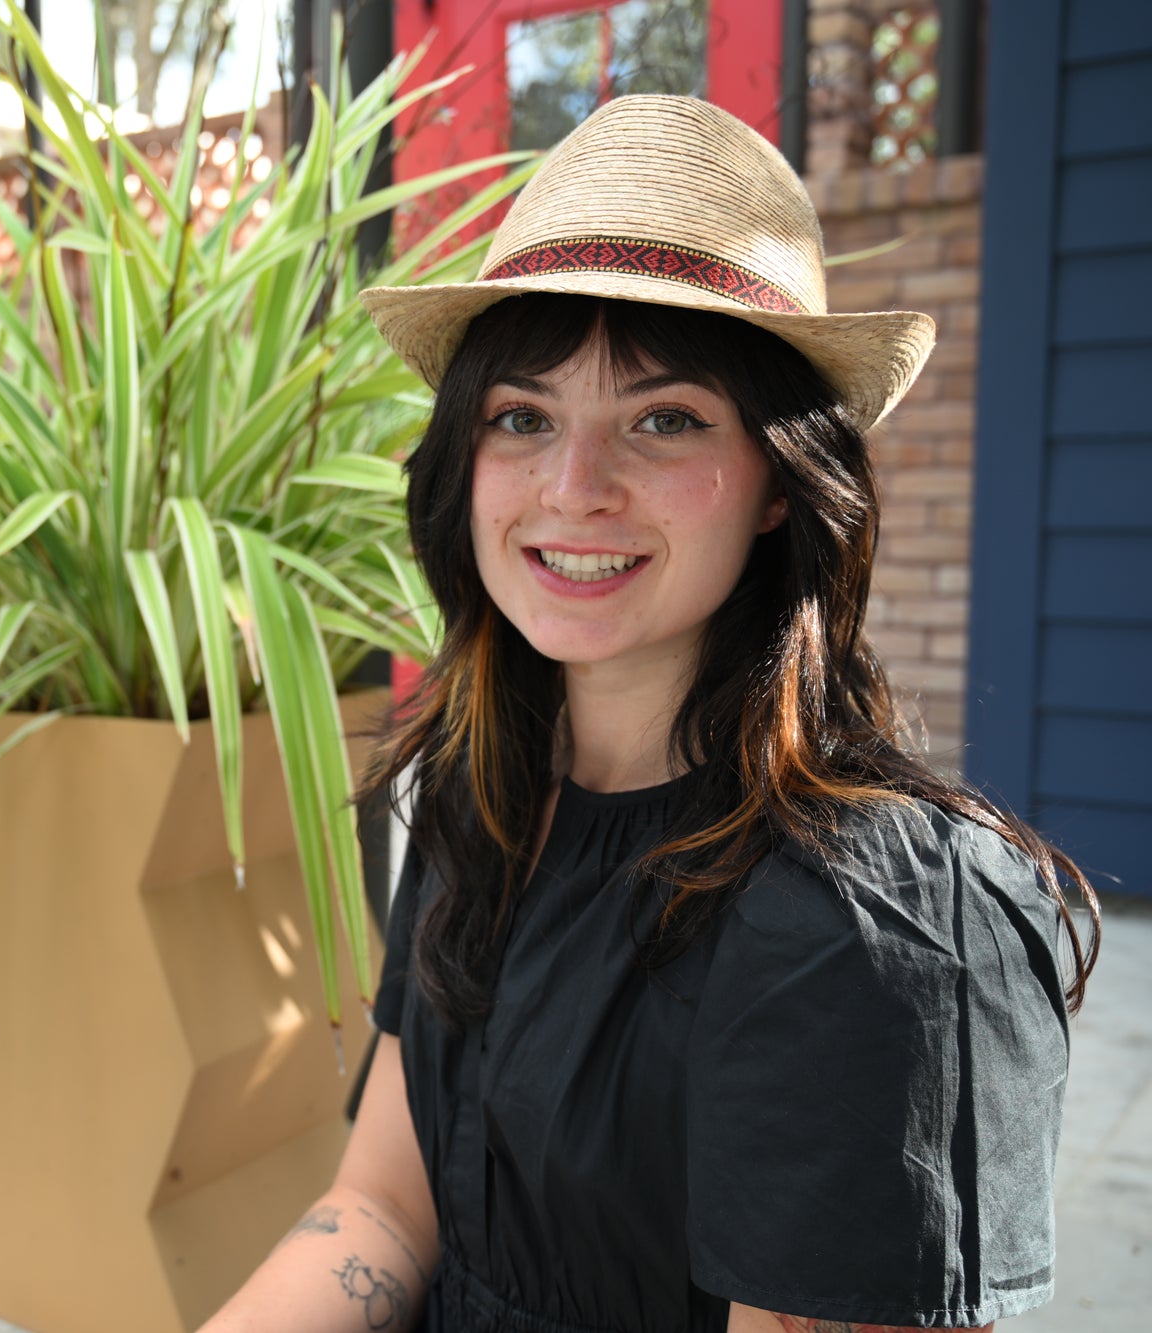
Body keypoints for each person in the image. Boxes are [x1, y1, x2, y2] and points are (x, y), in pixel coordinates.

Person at [201, 95, 1099, 1333]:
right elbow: (382, 1211)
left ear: (782, 484)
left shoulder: (876, 928)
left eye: (662, 419)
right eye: (523, 418)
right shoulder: (484, 790)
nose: (573, 490)